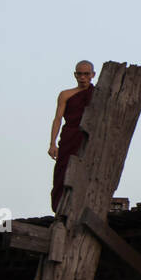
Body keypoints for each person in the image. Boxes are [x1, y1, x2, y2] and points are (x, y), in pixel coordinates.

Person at [48, 61, 96, 211]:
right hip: (70, 136)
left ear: (93, 75)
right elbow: (57, 118)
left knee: (88, 173)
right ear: (75, 75)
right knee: (63, 172)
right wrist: (52, 143)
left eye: (86, 74)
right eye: (79, 74)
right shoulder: (66, 94)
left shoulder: (99, 94)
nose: (82, 77)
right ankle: (60, 207)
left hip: (90, 138)